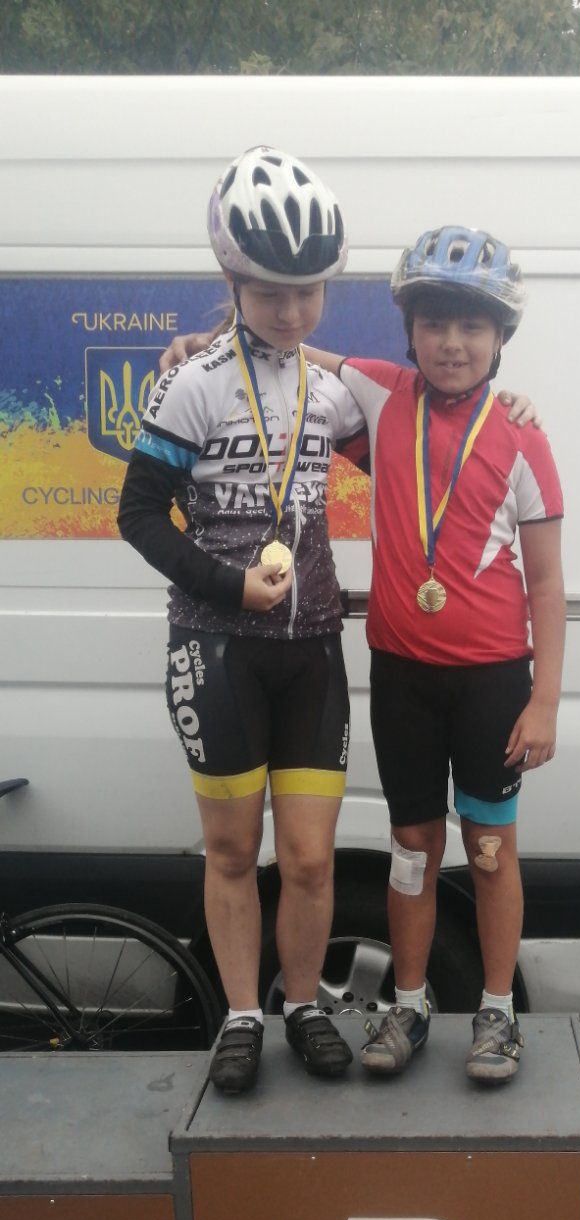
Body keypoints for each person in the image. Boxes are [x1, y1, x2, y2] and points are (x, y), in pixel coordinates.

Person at [118, 146, 371, 1095]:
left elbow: (421, 441)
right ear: (232, 281)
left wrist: (504, 396)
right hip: (217, 648)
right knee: (232, 851)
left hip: (311, 652)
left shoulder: (332, 389)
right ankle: (240, 1015)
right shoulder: (191, 381)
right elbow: (139, 515)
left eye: (309, 292)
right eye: (271, 293)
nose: (293, 312)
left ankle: (302, 1005)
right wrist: (228, 587)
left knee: (309, 859)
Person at [308, 226, 565, 1084]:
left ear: (500, 337)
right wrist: (206, 341)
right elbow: (285, 353)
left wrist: (545, 700)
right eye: (434, 323)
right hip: (403, 676)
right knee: (412, 844)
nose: (453, 342)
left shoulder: (523, 436)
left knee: (489, 848)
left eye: (472, 326)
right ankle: (410, 1003)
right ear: (409, 330)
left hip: (493, 682)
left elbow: (547, 583)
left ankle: (496, 1013)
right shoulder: (382, 395)